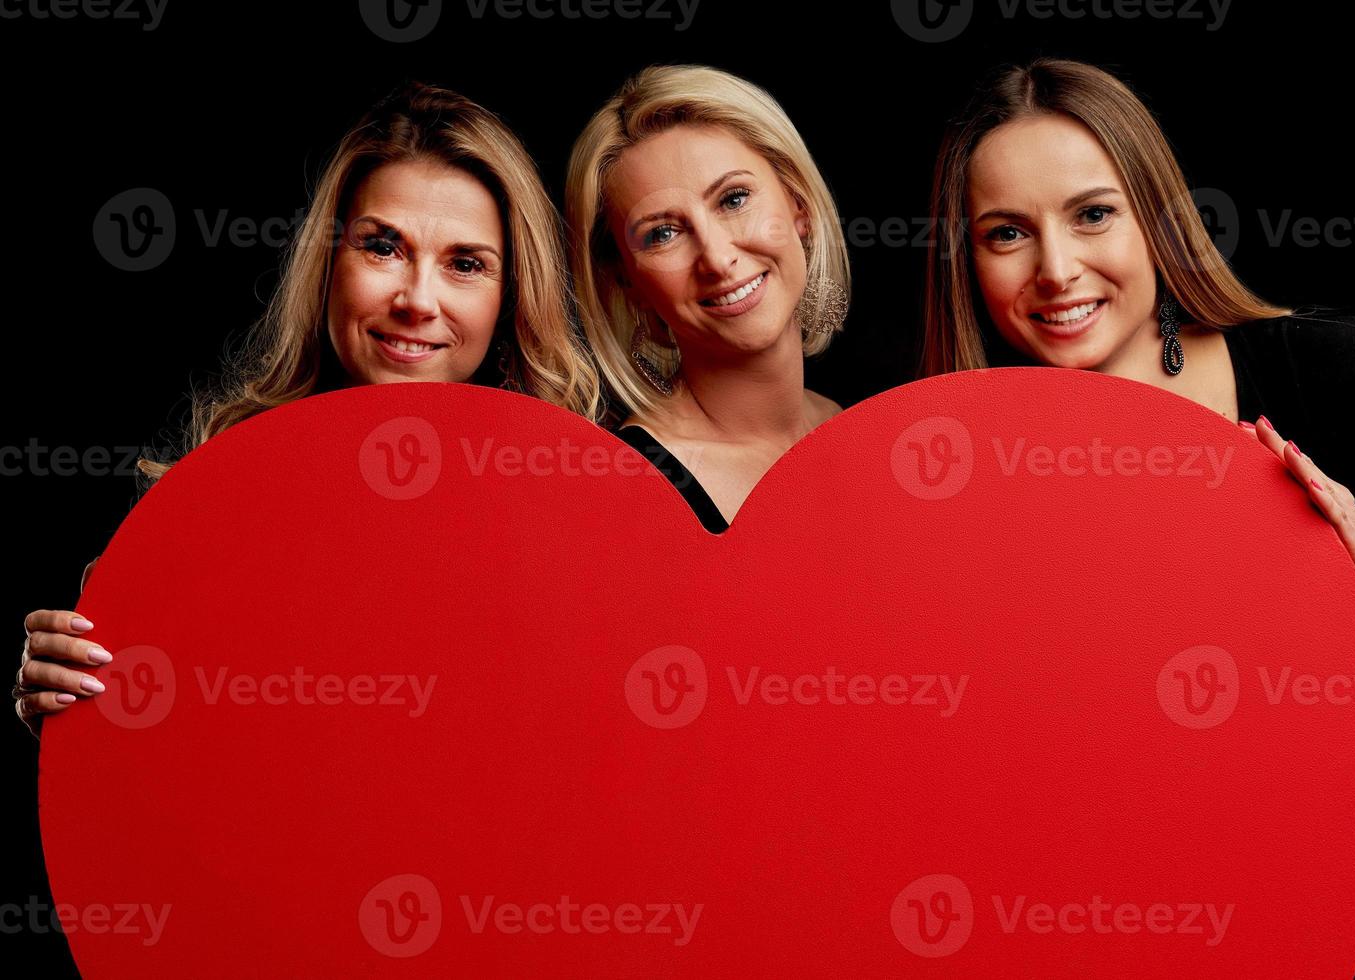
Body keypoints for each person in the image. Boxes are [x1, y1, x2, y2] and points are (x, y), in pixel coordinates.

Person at [922, 57, 1355, 975]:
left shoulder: (1333, 367)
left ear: (1158, 217)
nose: (1057, 271)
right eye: (1006, 233)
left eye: (1093, 214)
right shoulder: (949, 484)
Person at [14, 81, 601, 736]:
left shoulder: (581, 525)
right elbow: (181, 772)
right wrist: (75, 716)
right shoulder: (208, 511)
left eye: (466, 264)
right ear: (328, 264)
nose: (417, 299)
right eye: (382, 246)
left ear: (510, 297)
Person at [565, 64, 851, 533]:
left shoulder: (860, 428)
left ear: (798, 204)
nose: (716, 259)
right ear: (627, 281)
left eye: (734, 200)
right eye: (662, 233)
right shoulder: (626, 489)